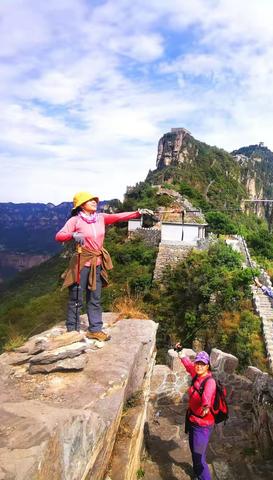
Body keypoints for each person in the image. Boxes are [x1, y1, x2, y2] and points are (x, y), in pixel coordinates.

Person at [55, 191, 152, 341]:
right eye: (90, 200)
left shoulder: (100, 218)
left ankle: (95, 329)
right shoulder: (75, 221)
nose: (95, 202)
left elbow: (120, 216)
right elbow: (59, 235)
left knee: (95, 297)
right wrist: (72, 235)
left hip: (97, 263)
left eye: (95, 200)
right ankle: (72, 330)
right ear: (81, 205)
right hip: (81, 263)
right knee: (76, 298)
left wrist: (137, 213)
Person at [176, 343, 216, 480]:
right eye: (197, 363)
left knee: (199, 457)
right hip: (193, 420)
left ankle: (203, 476)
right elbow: (188, 365)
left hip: (203, 425)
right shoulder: (196, 374)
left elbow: (208, 395)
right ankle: (197, 473)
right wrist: (180, 352)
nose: (199, 366)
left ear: (208, 366)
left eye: (202, 364)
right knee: (194, 451)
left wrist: (206, 406)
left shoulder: (209, 381)